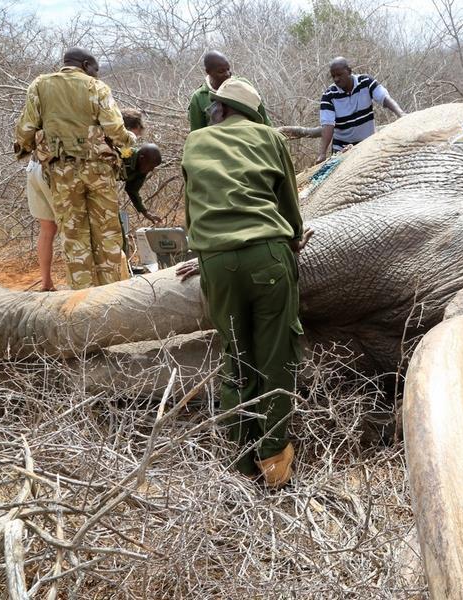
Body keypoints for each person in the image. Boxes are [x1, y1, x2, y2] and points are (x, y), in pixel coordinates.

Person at [176, 78, 312, 487]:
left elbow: (193, 209)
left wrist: (208, 253)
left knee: (236, 361)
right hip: (268, 256)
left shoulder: (195, 143)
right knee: (277, 359)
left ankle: (241, 467)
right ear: (252, 113)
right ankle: (275, 465)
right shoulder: (269, 137)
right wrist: (292, 240)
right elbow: (289, 204)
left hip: (215, 264)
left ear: (218, 109)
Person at [14, 47, 136, 289]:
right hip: (99, 171)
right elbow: (114, 127)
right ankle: (110, 296)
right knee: (107, 235)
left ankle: (83, 302)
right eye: (96, 69)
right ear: (87, 64)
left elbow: (26, 128)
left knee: (73, 237)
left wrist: (26, 149)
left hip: (62, 172)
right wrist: (129, 144)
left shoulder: (40, 85)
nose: (97, 74)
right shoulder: (96, 87)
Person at [316, 57, 405, 163]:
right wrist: (322, 153)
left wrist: (401, 114)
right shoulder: (328, 95)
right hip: (342, 149)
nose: (336, 79)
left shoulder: (366, 82)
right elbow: (328, 125)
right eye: (333, 76)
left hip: (367, 145)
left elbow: (384, 98)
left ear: (349, 71)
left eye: (339, 75)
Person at [188, 50, 272, 131]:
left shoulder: (242, 85)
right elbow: (197, 132)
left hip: (251, 140)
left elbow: (264, 119)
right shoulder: (199, 97)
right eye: (221, 71)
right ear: (208, 72)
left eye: (228, 69)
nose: (227, 74)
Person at [24, 131, 57, 291]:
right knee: (69, 226)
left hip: (33, 165)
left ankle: (46, 283)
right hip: (52, 168)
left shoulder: (38, 107)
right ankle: (78, 285)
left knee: (47, 228)